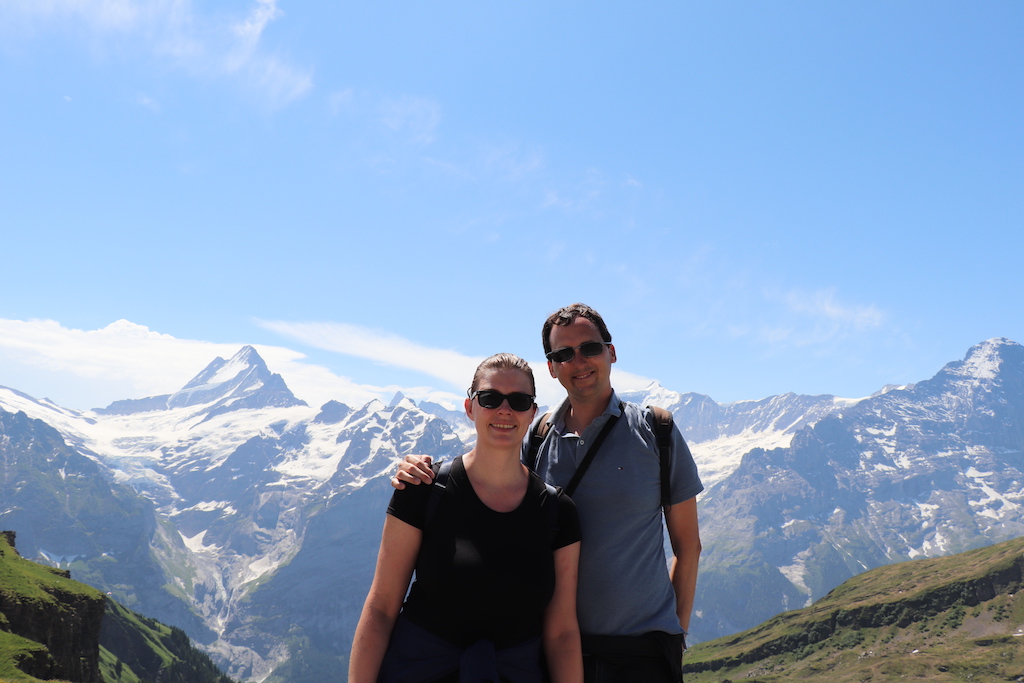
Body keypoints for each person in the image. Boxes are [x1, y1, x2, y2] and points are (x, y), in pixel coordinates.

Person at [393, 304, 703, 683]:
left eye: (590, 348)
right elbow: (488, 478)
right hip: (547, 650)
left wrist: (676, 636)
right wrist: (420, 469)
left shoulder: (658, 432)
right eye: (563, 354)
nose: (579, 361)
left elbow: (689, 548)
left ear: (612, 352)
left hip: (642, 653)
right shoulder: (536, 438)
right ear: (552, 368)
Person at [350, 353, 583, 683]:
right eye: (489, 398)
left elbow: (562, 633)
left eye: (518, 400)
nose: (504, 410)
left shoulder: (558, 512)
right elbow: (381, 608)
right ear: (470, 407)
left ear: (532, 413)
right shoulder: (422, 489)